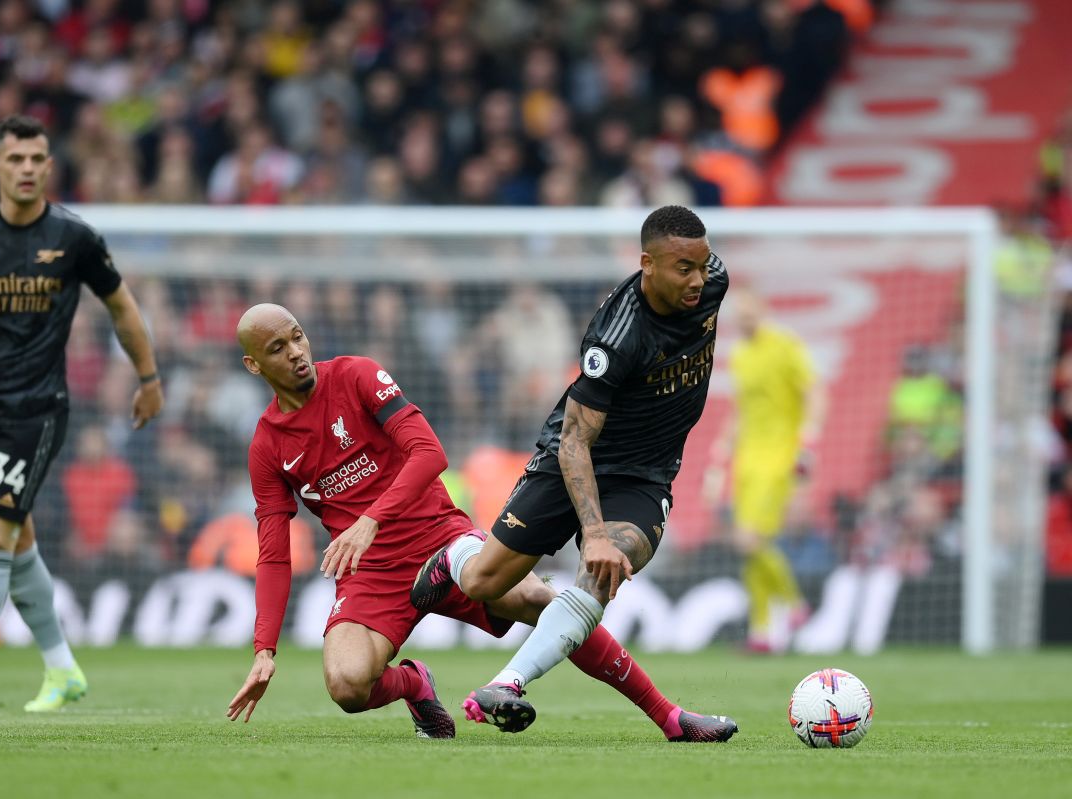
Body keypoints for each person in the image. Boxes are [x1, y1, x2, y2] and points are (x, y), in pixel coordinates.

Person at [225, 304, 720, 741]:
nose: (295, 351)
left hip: (445, 544)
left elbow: (428, 454)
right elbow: (274, 552)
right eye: (277, 347)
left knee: (540, 603)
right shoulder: (268, 446)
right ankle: (416, 683)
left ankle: (668, 716)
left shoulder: (356, 376)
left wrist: (371, 518)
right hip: (372, 573)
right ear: (253, 365)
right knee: (348, 686)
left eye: (297, 335)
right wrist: (264, 649)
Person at [411, 205, 737, 740]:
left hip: (644, 476)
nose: (698, 281)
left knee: (606, 569)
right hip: (572, 459)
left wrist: (605, 542)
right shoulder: (615, 337)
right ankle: (458, 552)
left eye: (703, 265)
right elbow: (574, 441)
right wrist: (592, 533)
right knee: (482, 583)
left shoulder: (714, 282)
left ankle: (507, 683)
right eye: (684, 269)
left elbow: (709, 278)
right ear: (646, 264)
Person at [0, 114, 164, 711]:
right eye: (15, 159)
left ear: (49, 167)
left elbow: (123, 310)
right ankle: (62, 669)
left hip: (38, 409)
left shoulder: (74, 238)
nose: (26, 169)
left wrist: (148, 379)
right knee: (16, 541)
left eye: (37, 159)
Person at [705, 287, 823, 652]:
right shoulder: (740, 355)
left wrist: (807, 443)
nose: (745, 321)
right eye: (739, 316)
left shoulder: (785, 345)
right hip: (748, 459)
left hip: (779, 455)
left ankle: (794, 602)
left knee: (748, 539)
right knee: (753, 546)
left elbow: (815, 392)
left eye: (750, 314)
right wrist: (723, 448)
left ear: (764, 311)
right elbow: (742, 408)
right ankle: (761, 635)